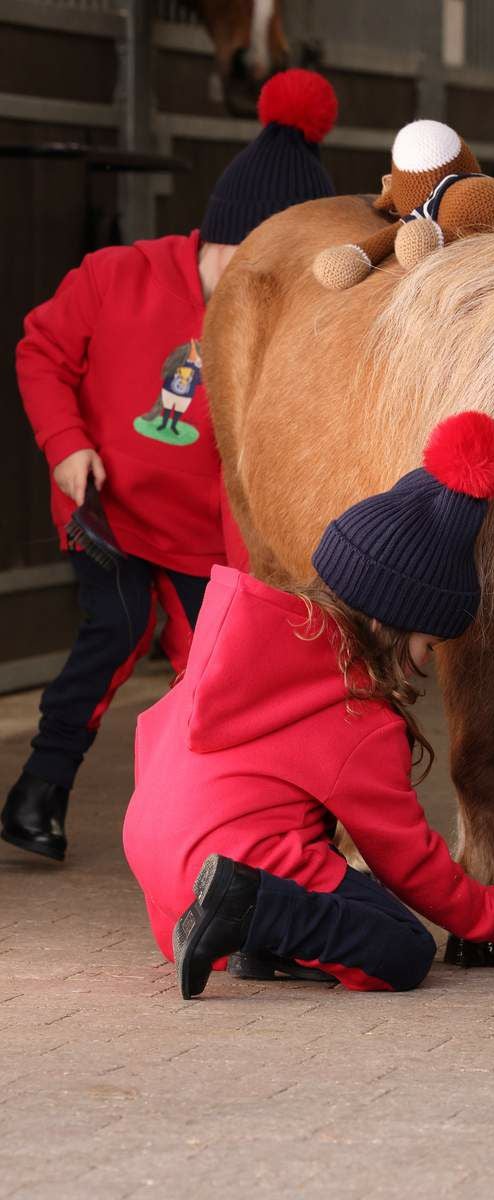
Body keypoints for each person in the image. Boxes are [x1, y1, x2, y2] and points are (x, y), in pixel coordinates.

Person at [3, 69, 339, 863]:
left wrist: (246, 578)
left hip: (199, 542)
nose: (259, 288)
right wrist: (66, 445)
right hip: (110, 513)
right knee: (117, 629)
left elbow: (252, 463)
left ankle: (208, 821)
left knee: (214, 676)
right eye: (250, 264)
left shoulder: (278, 330)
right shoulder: (117, 276)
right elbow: (41, 350)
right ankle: (38, 793)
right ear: (218, 235)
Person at [123, 412, 494, 997]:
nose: (424, 663)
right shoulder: (356, 713)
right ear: (388, 622)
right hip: (232, 864)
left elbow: (151, 739)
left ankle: (249, 930)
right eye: (428, 643)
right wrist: (493, 915)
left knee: (341, 901)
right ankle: (246, 907)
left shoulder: (236, 640)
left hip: (159, 862)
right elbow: (406, 858)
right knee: (403, 947)